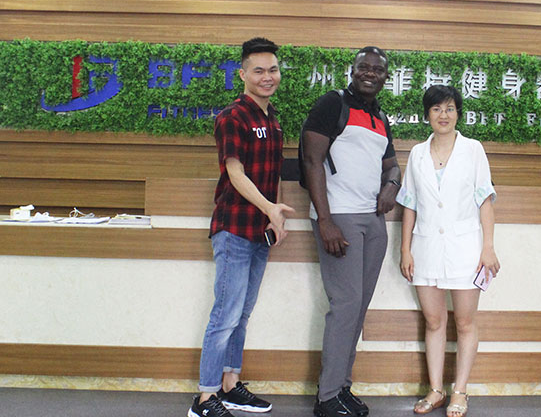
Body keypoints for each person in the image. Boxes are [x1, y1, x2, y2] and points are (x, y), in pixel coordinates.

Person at [188, 37, 295, 417]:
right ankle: (205, 398)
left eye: (273, 70)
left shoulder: (273, 119)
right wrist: (270, 209)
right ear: (243, 74)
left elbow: (273, 175)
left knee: (242, 314)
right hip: (233, 228)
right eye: (259, 70)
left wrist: (275, 217)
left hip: (259, 232)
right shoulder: (232, 117)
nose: (268, 77)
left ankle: (231, 385)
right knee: (225, 315)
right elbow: (235, 174)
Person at [302, 46, 402, 417]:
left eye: (378, 69)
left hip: (372, 222)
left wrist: (391, 186)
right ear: (353, 69)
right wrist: (324, 219)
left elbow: (392, 166)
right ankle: (327, 397)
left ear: (385, 77)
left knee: (357, 309)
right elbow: (311, 160)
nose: (370, 73)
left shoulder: (380, 117)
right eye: (364, 67)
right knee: (345, 306)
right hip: (339, 217)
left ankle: (341, 387)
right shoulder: (333, 103)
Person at [396, 85, 500, 417]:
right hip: (425, 247)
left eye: (450, 108)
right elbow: (409, 205)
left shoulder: (473, 150)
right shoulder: (417, 154)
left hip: (466, 248)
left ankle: (460, 391)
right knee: (433, 320)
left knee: (465, 322)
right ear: (427, 114)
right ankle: (436, 390)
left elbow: (484, 201)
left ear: (458, 114)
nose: (444, 115)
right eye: (437, 109)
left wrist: (488, 247)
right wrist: (405, 250)